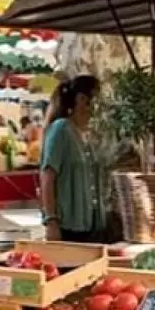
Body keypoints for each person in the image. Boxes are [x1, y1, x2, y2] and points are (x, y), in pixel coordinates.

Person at [40, 75, 105, 243]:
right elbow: (47, 178)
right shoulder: (60, 130)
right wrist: (51, 221)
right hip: (67, 228)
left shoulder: (84, 134)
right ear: (82, 100)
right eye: (97, 99)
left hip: (90, 227)